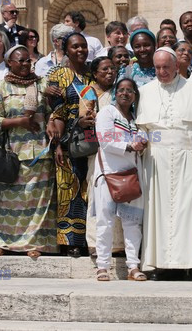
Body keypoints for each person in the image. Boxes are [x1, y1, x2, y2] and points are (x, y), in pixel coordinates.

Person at [137, 47, 192, 281]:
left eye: (166, 67)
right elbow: (143, 128)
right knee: (159, 214)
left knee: (191, 211)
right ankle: (160, 265)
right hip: (157, 161)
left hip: (190, 158)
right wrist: (142, 140)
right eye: (158, 68)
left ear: (176, 67)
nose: (162, 72)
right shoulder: (145, 91)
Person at [0, 45, 57, 259]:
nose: (26, 64)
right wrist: (20, 121)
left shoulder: (41, 84)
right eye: (21, 61)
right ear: (10, 62)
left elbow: (55, 110)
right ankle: (5, 243)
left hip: (40, 151)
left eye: (29, 60)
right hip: (14, 154)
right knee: (10, 199)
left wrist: (52, 105)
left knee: (39, 201)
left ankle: (35, 244)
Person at [94, 78, 146, 282]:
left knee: (133, 223)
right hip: (108, 174)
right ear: (116, 93)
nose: (125, 93)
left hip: (131, 175)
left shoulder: (136, 118)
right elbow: (105, 141)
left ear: (134, 95)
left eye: (130, 90)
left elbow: (146, 137)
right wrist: (131, 146)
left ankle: (133, 266)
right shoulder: (107, 113)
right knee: (104, 222)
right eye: (121, 90)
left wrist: (143, 142)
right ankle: (102, 267)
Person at [48, 32, 93, 257]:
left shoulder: (93, 73)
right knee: (69, 189)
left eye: (83, 46)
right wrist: (57, 145)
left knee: (89, 190)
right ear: (66, 50)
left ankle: (89, 239)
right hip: (68, 142)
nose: (80, 50)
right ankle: (71, 241)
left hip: (94, 142)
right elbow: (57, 112)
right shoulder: (60, 75)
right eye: (75, 47)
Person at [83, 56, 124, 257]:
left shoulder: (120, 91)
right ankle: (95, 244)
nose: (110, 72)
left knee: (119, 195)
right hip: (98, 152)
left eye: (112, 69)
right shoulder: (88, 92)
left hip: (120, 152)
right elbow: (84, 122)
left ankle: (118, 244)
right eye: (105, 69)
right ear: (94, 73)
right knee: (98, 199)